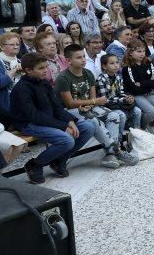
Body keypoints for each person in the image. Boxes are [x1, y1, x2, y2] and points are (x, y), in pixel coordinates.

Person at [10, 53, 96, 183]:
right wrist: (62, 126)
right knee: (66, 140)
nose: (46, 70)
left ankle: (59, 160)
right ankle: (35, 164)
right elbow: (34, 116)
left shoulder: (43, 83)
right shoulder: (22, 88)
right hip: (28, 123)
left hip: (48, 120)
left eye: (46, 66)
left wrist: (70, 121)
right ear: (28, 70)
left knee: (88, 127)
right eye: (41, 68)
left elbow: (56, 106)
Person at [55, 44, 138, 169]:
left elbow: (93, 99)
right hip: (70, 110)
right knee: (93, 120)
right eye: (78, 57)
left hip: (88, 106)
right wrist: (90, 103)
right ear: (68, 61)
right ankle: (117, 151)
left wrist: (91, 103)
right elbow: (69, 103)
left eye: (83, 56)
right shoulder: (63, 77)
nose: (83, 60)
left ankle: (111, 154)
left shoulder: (88, 73)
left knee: (114, 115)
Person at [122, 39, 154, 134]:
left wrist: (141, 83)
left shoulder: (148, 63)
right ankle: (142, 129)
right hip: (136, 95)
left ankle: (153, 125)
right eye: (139, 51)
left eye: (143, 51)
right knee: (151, 111)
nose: (142, 54)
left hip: (150, 93)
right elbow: (134, 88)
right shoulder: (127, 68)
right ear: (130, 53)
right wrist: (149, 82)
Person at [97, 53, 142, 133]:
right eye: (112, 63)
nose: (116, 65)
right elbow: (105, 100)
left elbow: (121, 92)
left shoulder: (118, 77)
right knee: (121, 115)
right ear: (104, 66)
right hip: (108, 106)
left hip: (118, 103)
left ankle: (136, 134)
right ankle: (119, 138)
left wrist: (127, 98)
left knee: (137, 111)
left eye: (117, 62)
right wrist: (122, 100)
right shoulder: (101, 79)